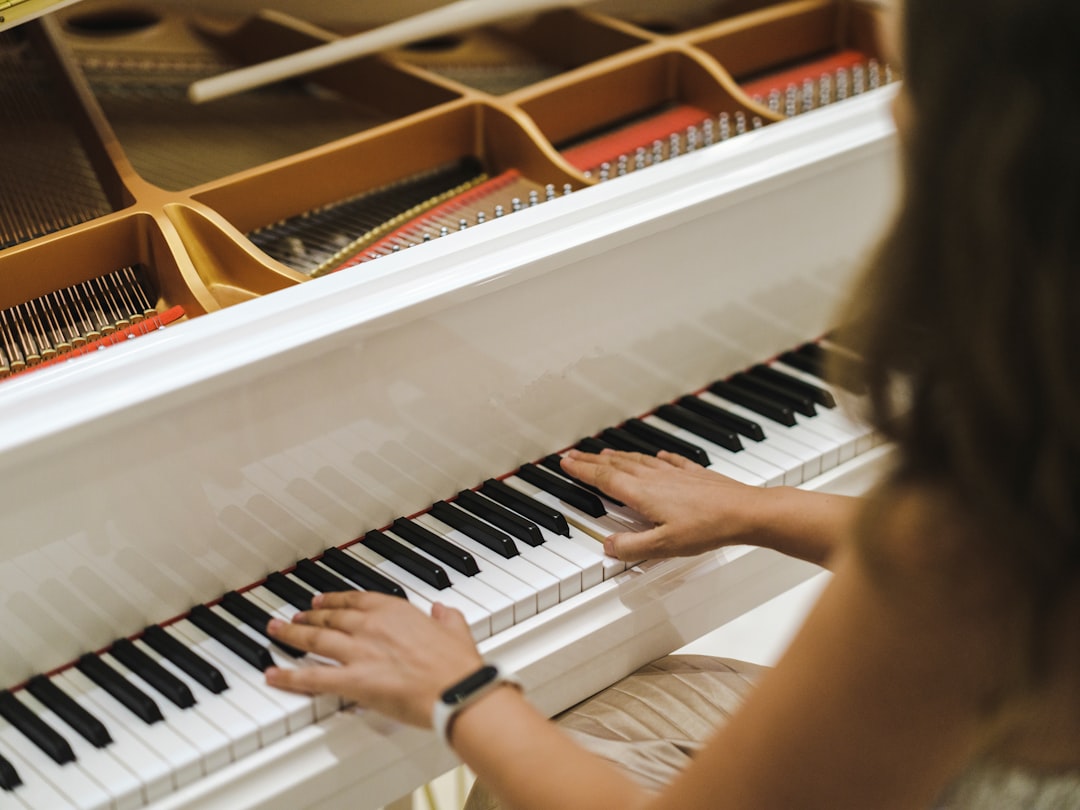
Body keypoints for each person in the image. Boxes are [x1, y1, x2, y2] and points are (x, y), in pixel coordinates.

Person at [264, 0, 1080, 806]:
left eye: (908, 82)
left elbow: (953, 578)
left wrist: (458, 694)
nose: (894, 105)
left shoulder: (956, 560)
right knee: (610, 709)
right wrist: (762, 507)